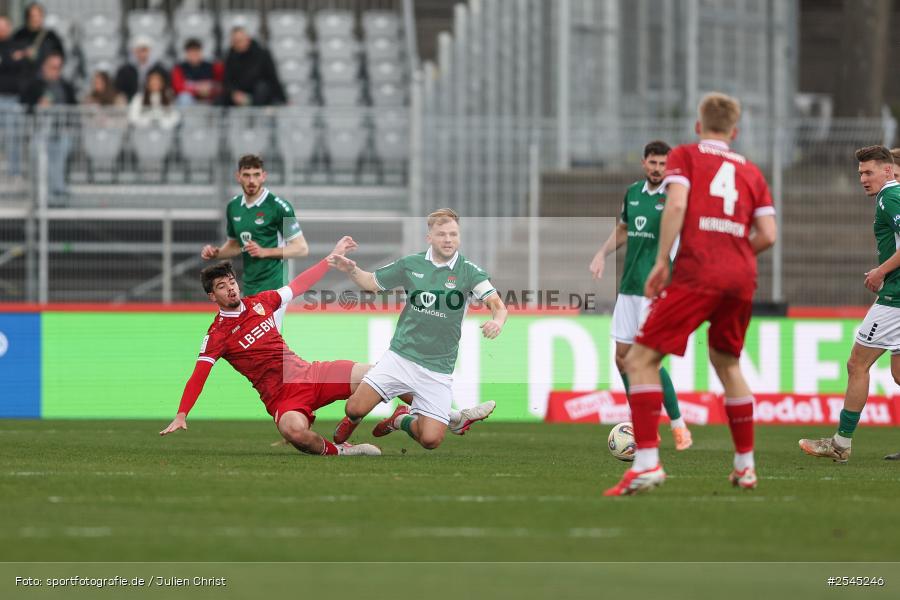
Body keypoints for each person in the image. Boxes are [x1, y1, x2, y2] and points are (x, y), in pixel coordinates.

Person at [603, 93, 777, 496]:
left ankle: (647, 464)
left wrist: (663, 260)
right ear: (734, 131)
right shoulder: (752, 171)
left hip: (698, 272)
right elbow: (768, 234)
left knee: (639, 358)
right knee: (727, 364)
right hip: (740, 277)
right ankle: (746, 467)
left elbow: (677, 205)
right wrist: (735, 256)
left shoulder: (686, 155)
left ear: (699, 127)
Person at [160, 237, 382, 457]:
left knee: (380, 375)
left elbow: (299, 285)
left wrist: (331, 258)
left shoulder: (262, 302)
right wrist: (182, 414)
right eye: (221, 286)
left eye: (231, 282)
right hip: (282, 398)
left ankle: (381, 418)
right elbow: (199, 375)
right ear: (212, 296)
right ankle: (343, 451)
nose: (230, 288)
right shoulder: (217, 335)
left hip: (311, 375)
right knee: (294, 432)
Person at [328, 208, 505, 450]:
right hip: (400, 356)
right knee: (354, 407)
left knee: (430, 440)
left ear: (459, 237)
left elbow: (498, 305)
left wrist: (497, 321)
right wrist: (350, 269)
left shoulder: (469, 271)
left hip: (438, 367)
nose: (448, 239)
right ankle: (354, 419)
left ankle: (400, 419)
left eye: (453, 234)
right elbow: (371, 283)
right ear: (429, 237)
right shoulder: (411, 264)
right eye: (441, 234)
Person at [799, 146, 900, 464]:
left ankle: (840, 443)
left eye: (868, 172)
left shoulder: (890, 196)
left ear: (888, 171)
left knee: (857, 365)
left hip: (895, 299)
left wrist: (881, 271)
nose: (862, 179)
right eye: (859, 173)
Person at [590, 140, 692, 450]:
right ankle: (642, 423)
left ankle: (678, 425)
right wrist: (602, 254)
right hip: (629, 287)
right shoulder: (633, 193)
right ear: (644, 163)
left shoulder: (675, 197)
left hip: (655, 291)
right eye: (653, 163)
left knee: (646, 361)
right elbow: (623, 230)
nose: (658, 169)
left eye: (663, 164)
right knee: (622, 359)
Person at [200, 154, 308, 330]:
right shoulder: (233, 207)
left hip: (275, 286)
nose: (252, 180)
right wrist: (217, 253)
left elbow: (301, 248)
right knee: (251, 341)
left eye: (256, 174)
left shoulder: (279, 206)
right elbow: (235, 245)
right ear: (238, 176)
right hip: (249, 285)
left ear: (263, 176)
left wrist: (265, 252)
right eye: (247, 175)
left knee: (267, 339)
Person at [19, 52, 75, 198]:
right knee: (40, 155)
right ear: (44, 67)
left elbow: (74, 108)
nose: (56, 71)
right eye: (53, 67)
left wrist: (68, 126)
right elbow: (24, 106)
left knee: (60, 155)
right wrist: (38, 106)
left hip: (61, 131)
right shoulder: (34, 84)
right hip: (40, 131)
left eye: (58, 67)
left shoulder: (66, 86)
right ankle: (45, 193)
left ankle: (57, 191)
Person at [222, 27, 285, 106]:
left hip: (260, 94)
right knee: (221, 99)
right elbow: (227, 81)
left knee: (262, 88)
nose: (238, 44)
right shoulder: (230, 56)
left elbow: (273, 78)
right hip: (240, 94)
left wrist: (283, 99)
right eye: (235, 42)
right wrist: (234, 93)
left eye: (240, 41)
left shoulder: (262, 54)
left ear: (247, 39)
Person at [12, 2, 64, 84]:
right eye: (32, 16)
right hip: (22, 79)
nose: (36, 19)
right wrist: (23, 54)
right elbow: (11, 56)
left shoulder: (51, 35)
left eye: (39, 16)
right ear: (27, 17)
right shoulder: (19, 35)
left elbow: (60, 55)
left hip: (45, 79)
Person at [0, 15, 27, 177]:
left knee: (13, 139)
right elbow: (11, 63)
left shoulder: (17, 45)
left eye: (4, 27)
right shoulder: (14, 51)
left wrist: (6, 61)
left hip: (12, 99)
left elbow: (23, 66)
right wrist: (11, 60)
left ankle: (14, 174)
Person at [172, 38, 223, 106]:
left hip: (210, 98)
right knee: (184, 97)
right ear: (186, 53)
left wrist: (210, 90)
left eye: (196, 51)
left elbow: (220, 84)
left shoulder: (212, 67)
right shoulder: (179, 68)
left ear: (201, 52)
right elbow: (178, 88)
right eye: (191, 52)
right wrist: (197, 90)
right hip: (191, 99)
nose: (194, 54)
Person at [115, 35, 166, 101]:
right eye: (138, 50)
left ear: (150, 51)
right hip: (130, 100)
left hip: (151, 100)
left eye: (144, 50)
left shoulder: (159, 69)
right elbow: (119, 88)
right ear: (134, 51)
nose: (141, 53)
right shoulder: (125, 70)